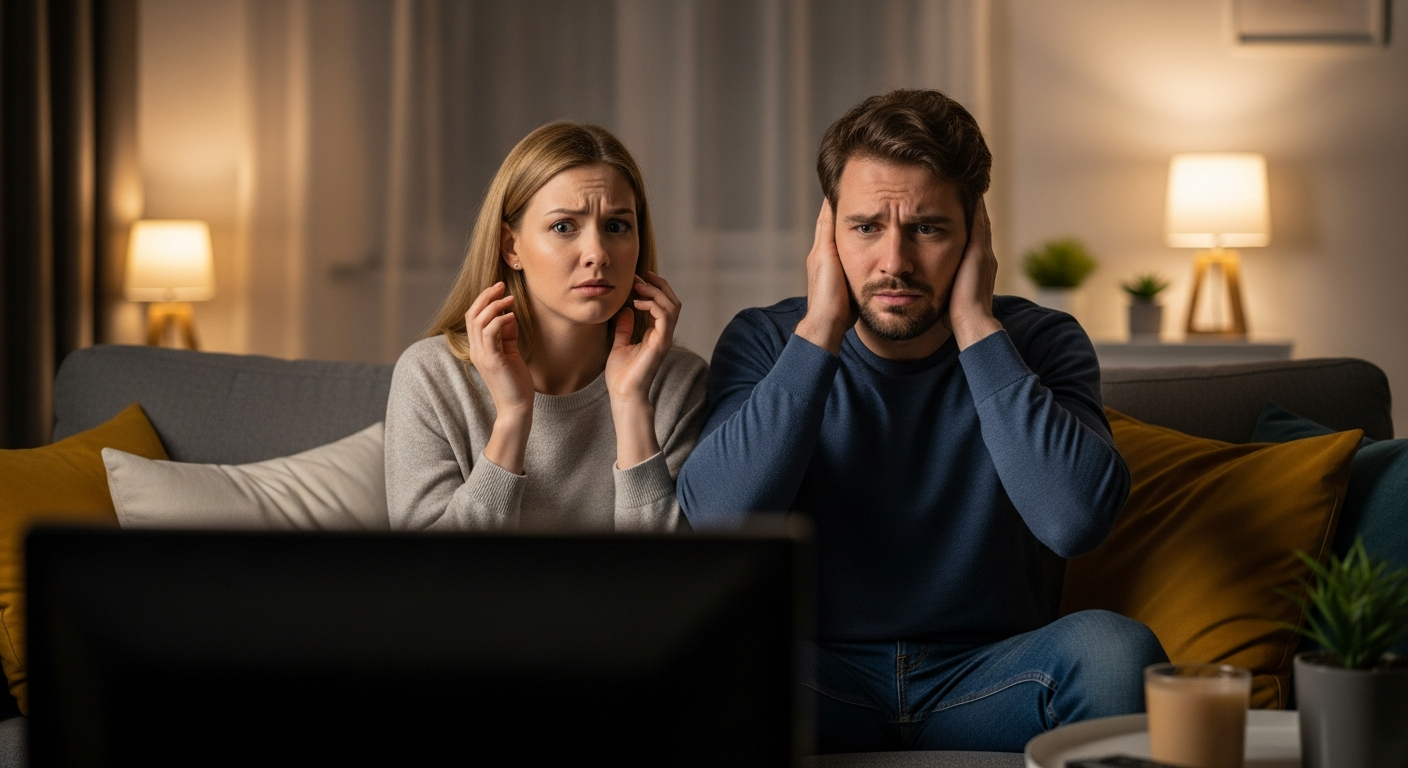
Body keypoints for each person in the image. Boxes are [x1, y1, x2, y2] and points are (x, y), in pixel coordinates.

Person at [676, 90, 1166, 752]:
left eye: (929, 228)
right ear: (828, 234)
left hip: (993, 676)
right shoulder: (767, 341)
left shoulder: (1042, 341)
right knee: (701, 657)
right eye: (866, 227)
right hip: (819, 674)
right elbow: (718, 520)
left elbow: (1075, 522)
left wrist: (975, 325)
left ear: (975, 235)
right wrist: (819, 329)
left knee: (1115, 650)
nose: (895, 263)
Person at [387, 121, 708, 532]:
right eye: (563, 227)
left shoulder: (678, 383)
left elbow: (670, 583)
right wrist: (513, 417)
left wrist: (631, 408)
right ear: (511, 247)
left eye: (616, 226)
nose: (597, 253)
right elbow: (430, 581)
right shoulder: (431, 378)